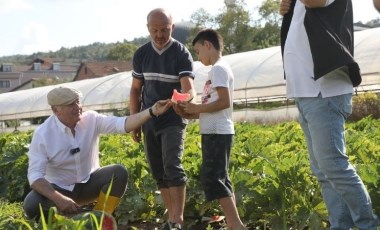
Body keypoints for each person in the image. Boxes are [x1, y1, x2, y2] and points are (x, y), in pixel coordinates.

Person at [280, 0, 379, 229]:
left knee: (334, 166)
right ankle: (340, 226)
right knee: (324, 171)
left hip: (325, 91)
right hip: (305, 93)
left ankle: (368, 225)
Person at [23, 86, 171, 220]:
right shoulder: (43, 134)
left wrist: (152, 111)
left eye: (77, 102)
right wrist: (59, 199)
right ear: (56, 110)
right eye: (70, 105)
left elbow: (123, 124)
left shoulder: (91, 119)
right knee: (31, 204)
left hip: (89, 184)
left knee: (118, 173)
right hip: (60, 189)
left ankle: (99, 219)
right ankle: (64, 223)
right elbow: (35, 177)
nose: (77, 107)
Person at [129, 7, 195, 230]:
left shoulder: (181, 52)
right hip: (149, 117)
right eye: (155, 30)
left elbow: (188, 88)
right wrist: (134, 120)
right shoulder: (141, 54)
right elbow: (135, 90)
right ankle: (171, 219)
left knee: (172, 165)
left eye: (165, 30)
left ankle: (178, 220)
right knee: (158, 170)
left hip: (173, 117)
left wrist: (183, 100)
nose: (159, 35)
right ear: (148, 28)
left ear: (172, 28)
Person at [178, 29, 246, 230]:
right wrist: (191, 113)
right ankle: (235, 223)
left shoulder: (218, 69)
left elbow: (225, 102)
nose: (198, 57)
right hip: (215, 130)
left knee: (213, 178)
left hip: (217, 132)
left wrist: (197, 108)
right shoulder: (218, 70)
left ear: (208, 45)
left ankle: (236, 225)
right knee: (221, 177)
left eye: (198, 51)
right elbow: (214, 104)